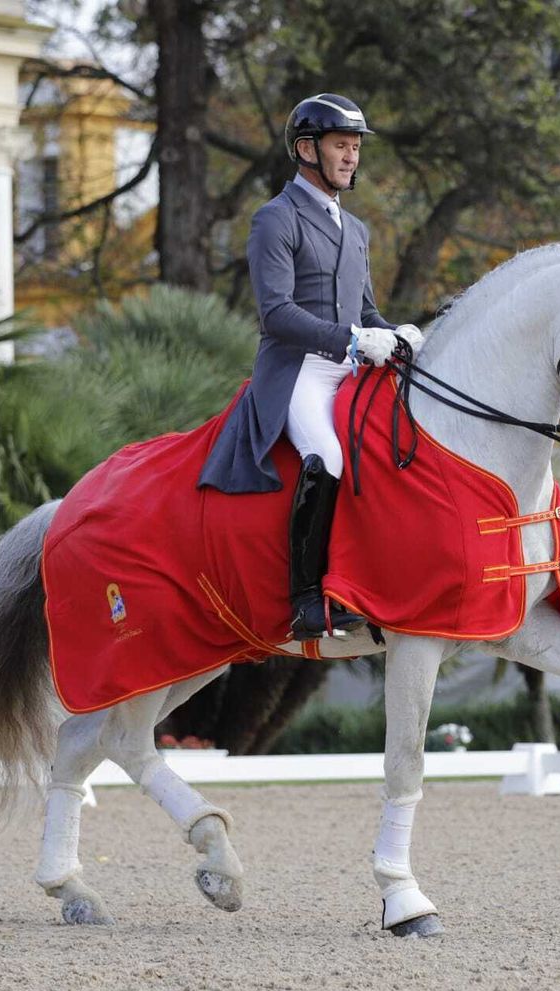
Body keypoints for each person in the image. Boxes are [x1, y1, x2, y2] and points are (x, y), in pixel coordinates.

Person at [197, 93, 424, 640]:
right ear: (306, 149)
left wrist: (398, 332)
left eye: (355, 148)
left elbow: (365, 308)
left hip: (349, 366)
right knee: (328, 456)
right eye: (340, 146)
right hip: (298, 371)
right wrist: (353, 339)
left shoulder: (358, 229)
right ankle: (306, 600)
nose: (351, 157)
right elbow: (276, 313)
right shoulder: (275, 219)